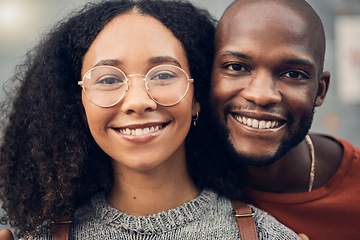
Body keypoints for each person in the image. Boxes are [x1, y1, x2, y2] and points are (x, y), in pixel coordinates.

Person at [0, 0, 303, 239]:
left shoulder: (265, 235)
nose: (138, 102)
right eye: (107, 80)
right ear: (79, 104)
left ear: (197, 96)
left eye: (164, 75)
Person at [208, 0, 360, 239]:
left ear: (320, 90)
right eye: (236, 67)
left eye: (293, 74)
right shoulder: (176, 181)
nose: (261, 95)